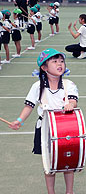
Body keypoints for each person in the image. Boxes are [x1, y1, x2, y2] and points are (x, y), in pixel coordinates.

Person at [8, 48, 78, 194]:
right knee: (49, 164)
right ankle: (50, 192)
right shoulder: (37, 86)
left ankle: (69, 191)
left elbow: (72, 101)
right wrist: (19, 120)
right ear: (44, 67)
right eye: (54, 61)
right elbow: (29, 106)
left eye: (62, 61)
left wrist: (70, 105)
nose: (60, 64)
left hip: (65, 128)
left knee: (68, 163)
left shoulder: (68, 84)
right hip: (45, 128)